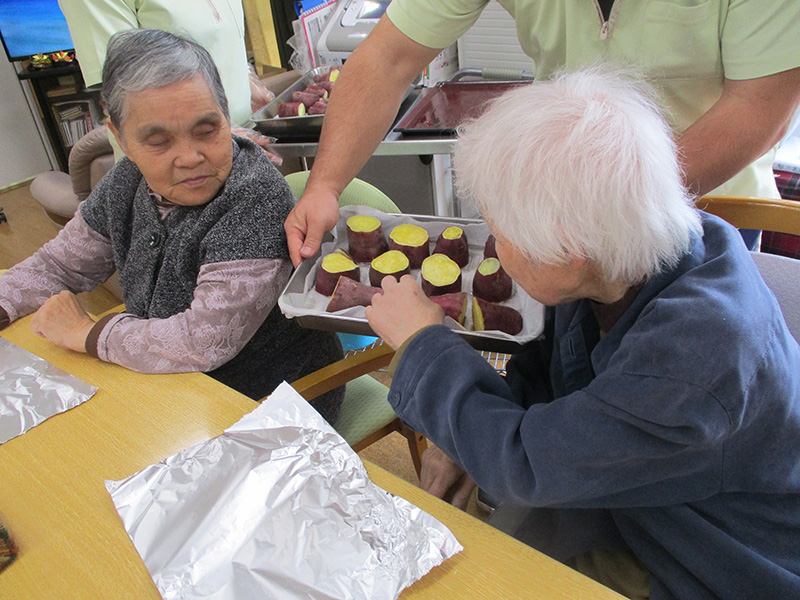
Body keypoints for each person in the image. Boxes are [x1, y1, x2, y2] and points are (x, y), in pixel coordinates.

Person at [364, 68, 800, 599]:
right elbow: (550, 372)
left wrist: (423, 346)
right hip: (640, 487)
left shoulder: (692, 364)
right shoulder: (624, 252)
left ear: (568, 249)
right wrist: (468, 434)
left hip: (713, 551)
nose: (495, 250)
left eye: (500, 235)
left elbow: (526, 464)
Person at [285, 0, 800, 264]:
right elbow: (388, 58)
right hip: (566, 214)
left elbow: (758, 106)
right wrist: (325, 183)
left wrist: (613, 213)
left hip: (705, 202)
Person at [0, 29, 343, 424]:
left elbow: (203, 340)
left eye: (206, 130)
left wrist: (86, 333)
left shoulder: (256, 199)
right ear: (121, 138)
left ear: (225, 114)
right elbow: (59, 265)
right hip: (165, 389)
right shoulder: (125, 181)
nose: (190, 157)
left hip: (269, 404)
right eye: (159, 142)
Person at [58, 0, 280, 163]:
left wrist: (249, 84)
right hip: (177, 160)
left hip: (243, 142)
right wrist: (218, 133)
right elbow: (121, 83)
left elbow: (221, 37)